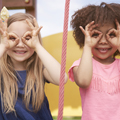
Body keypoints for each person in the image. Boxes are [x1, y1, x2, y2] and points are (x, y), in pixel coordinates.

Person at [0, 12, 68, 120]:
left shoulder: (39, 69)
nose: (21, 44)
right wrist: (3, 46)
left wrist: (37, 46)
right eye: (13, 38)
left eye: (28, 38)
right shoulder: (2, 70)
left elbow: (62, 79)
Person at [68, 2, 120, 120]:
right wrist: (87, 45)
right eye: (95, 34)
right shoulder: (79, 65)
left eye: (111, 34)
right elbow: (83, 81)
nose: (103, 41)